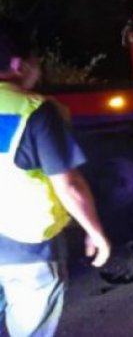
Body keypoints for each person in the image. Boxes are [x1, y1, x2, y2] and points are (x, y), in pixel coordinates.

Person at [0, 19, 110, 336]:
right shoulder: (34, 110)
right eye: (36, 62)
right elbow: (69, 185)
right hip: (27, 251)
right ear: (19, 64)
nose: (39, 70)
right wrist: (95, 231)